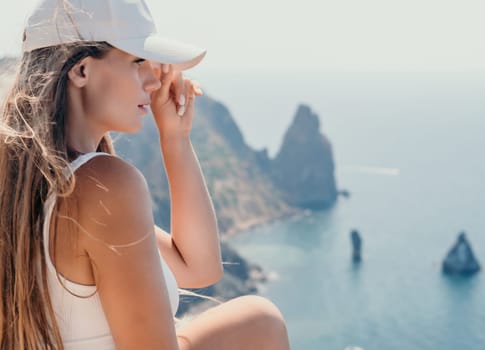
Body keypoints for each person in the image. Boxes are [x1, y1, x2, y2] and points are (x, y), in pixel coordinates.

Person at [0, 0, 291, 349]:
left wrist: (176, 139)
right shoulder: (103, 185)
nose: (155, 80)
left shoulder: (24, 182)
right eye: (138, 61)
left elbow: (199, 267)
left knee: (256, 319)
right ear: (80, 71)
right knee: (260, 322)